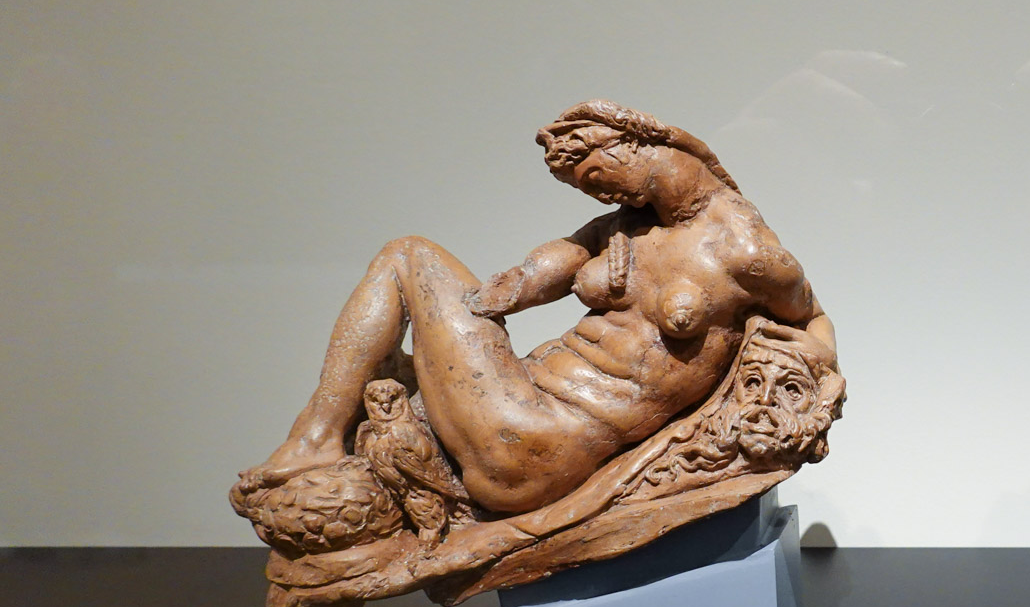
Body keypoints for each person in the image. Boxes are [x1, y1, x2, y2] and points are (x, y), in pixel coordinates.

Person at [238, 100, 836, 515]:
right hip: (519, 402)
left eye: (596, 175)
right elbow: (564, 257)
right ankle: (333, 448)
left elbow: (811, 319)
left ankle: (315, 437)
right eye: (585, 188)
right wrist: (516, 286)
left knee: (408, 255)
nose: (599, 193)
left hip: (536, 443)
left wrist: (811, 360)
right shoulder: (628, 226)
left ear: (634, 142)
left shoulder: (746, 251)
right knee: (410, 315)